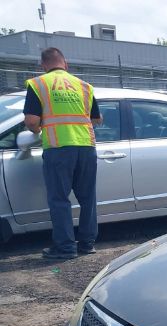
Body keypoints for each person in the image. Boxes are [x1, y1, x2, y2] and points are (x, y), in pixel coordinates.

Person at [23, 47, 102, 259]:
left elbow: (31, 121)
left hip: (58, 148)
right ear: (65, 64)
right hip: (86, 146)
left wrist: (39, 130)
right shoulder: (84, 86)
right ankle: (87, 244)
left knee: (59, 199)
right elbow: (96, 120)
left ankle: (66, 248)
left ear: (43, 65)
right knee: (88, 198)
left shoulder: (38, 84)